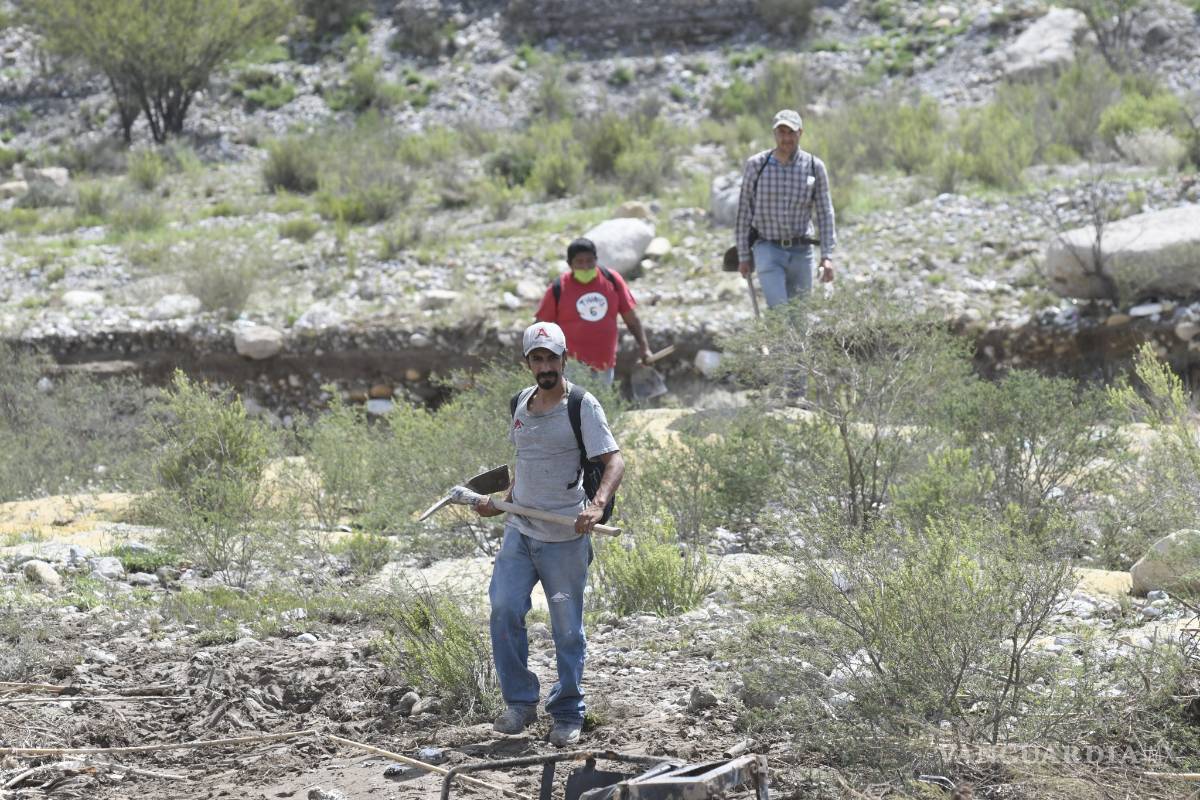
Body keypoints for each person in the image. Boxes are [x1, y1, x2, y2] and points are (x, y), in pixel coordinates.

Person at [474, 321, 625, 748]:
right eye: (536, 358)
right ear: (528, 363)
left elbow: (614, 461)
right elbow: (527, 463)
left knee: (566, 629)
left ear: (564, 359)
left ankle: (568, 711)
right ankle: (520, 703)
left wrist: (595, 506)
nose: (545, 366)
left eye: (551, 358)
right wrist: (499, 502)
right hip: (520, 530)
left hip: (564, 536)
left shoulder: (582, 404)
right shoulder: (521, 404)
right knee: (503, 609)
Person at [735, 108, 838, 308]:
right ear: (774, 134)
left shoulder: (814, 167)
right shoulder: (757, 165)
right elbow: (744, 213)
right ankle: (778, 339)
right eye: (781, 132)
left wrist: (826, 256)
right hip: (767, 247)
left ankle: (796, 341)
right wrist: (743, 255)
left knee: (800, 318)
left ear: (800, 133)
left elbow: (825, 213)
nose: (786, 138)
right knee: (779, 312)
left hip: (802, 250)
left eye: (791, 132)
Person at [535, 237, 653, 385]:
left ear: (596, 260)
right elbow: (539, 327)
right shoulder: (558, 288)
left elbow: (632, 319)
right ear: (569, 264)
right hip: (571, 365)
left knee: (600, 404)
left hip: (605, 364)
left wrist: (644, 347)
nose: (585, 267)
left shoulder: (612, 280)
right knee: (573, 406)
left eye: (590, 261)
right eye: (579, 262)